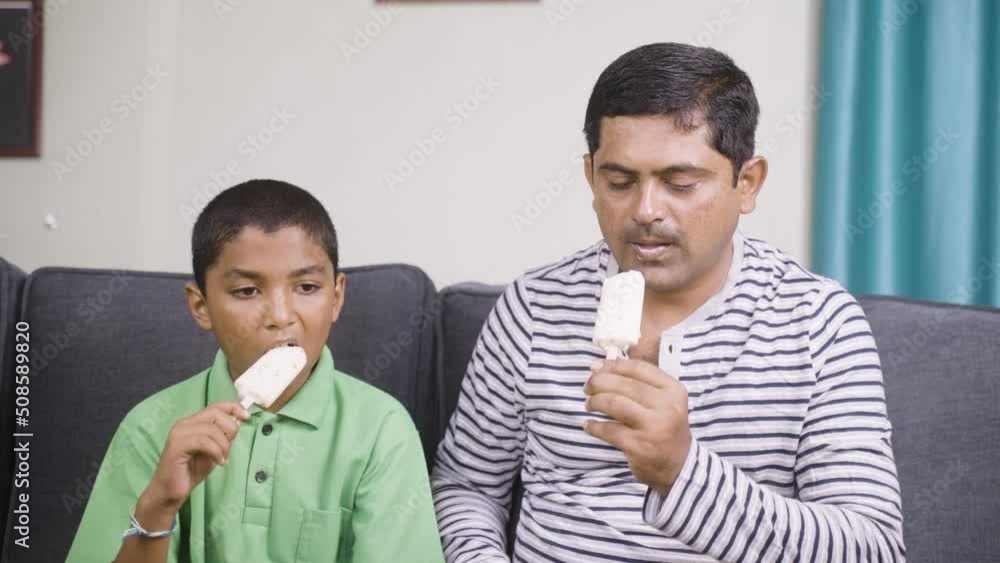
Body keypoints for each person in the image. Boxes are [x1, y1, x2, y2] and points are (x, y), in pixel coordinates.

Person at [432, 43, 905, 562]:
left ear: (747, 183)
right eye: (619, 182)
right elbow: (465, 486)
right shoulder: (533, 308)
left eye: (680, 184)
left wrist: (681, 471)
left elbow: (873, 550)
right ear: (591, 177)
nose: (645, 210)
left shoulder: (819, 322)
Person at [67, 179, 445, 563]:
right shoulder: (151, 428)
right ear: (201, 306)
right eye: (247, 291)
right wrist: (158, 505)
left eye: (307, 287)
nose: (280, 316)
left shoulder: (383, 431)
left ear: (336, 297)